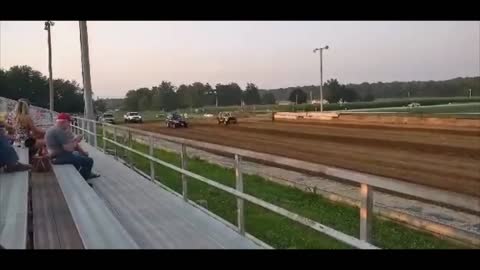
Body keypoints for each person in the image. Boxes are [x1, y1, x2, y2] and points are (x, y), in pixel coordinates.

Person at [45, 113, 99, 180]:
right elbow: (69, 149)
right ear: (63, 122)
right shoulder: (59, 131)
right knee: (89, 161)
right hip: (57, 158)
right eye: (69, 122)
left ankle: (82, 176)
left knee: (78, 156)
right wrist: (77, 141)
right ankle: (84, 180)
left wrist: (74, 141)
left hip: (55, 155)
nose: (70, 124)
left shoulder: (52, 129)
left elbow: (66, 145)